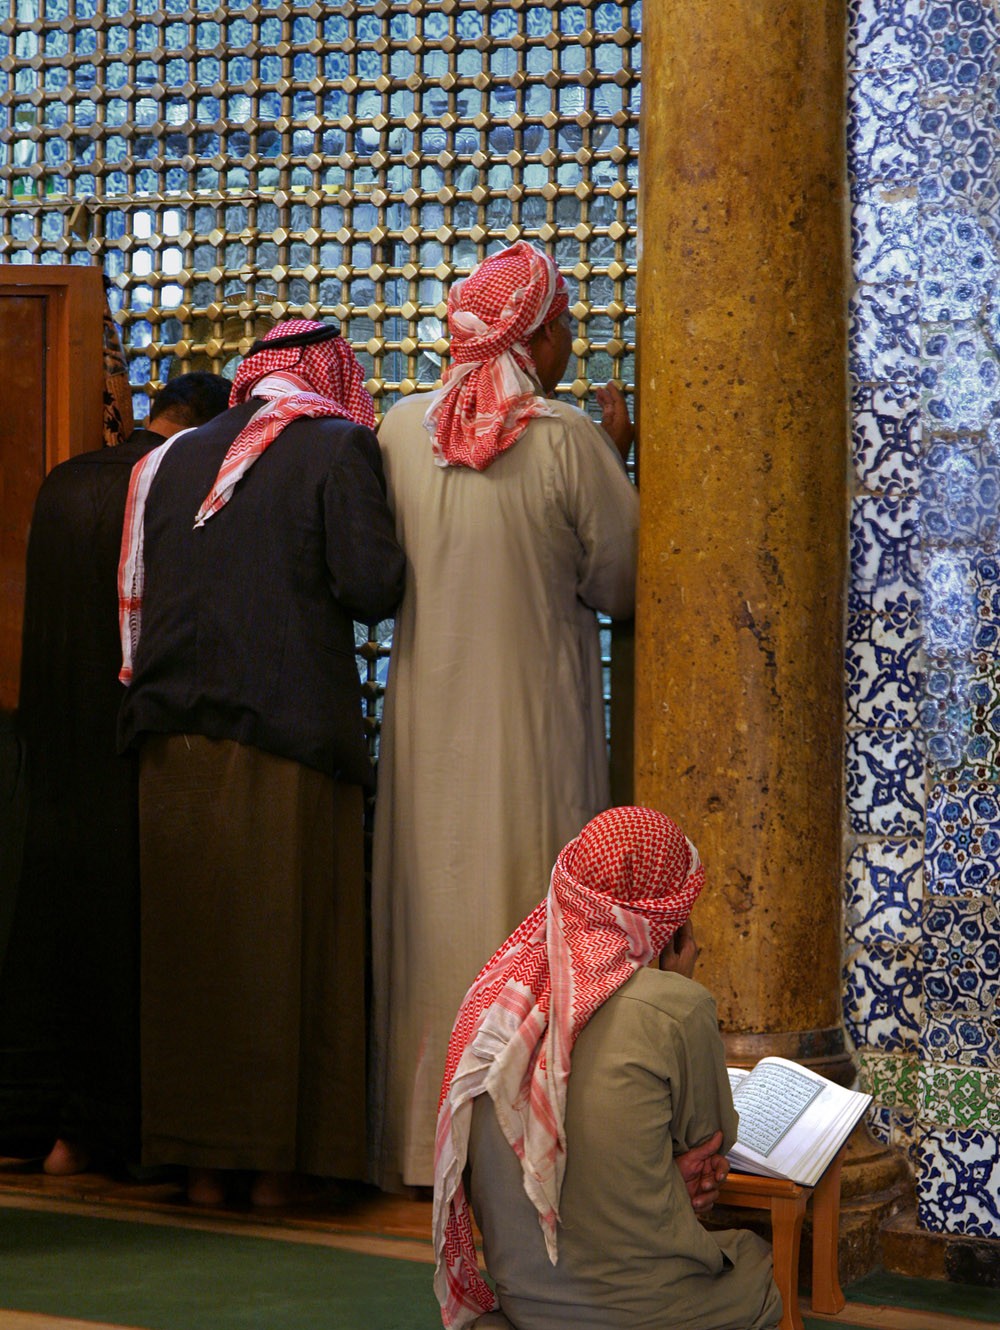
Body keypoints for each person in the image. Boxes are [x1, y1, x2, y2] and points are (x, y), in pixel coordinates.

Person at [117, 320, 406, 1209]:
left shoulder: (166, 460)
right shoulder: (336, 446)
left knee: (194, 956)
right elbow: (372, 587)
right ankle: (280, 1168)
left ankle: (202, 1166)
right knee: (287, 951)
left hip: (169, 744)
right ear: (329, 378)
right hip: (286, 735)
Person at [371, 241, 639, 1190]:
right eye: (563, 324)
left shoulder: (400, 431)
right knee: (526, 920)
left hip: (425, 746)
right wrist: (620, 458)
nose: (569, 342)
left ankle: (418, 1149)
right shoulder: (565, 438)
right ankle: (516, 1146)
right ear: (536, 337)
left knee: (431, 926)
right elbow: (625, 580)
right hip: (535, 735)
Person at [433, 805, 781, 1330]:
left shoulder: (498, 1001)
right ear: (665, 924)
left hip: (524, 1309)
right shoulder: (677, 1002)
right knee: (754, 1268)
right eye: (686, 919)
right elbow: (708, 1143)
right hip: (635, 1319)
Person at [0, 373, 232, 1174]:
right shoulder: (169, 482)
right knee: (127, 944)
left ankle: (39, 1124)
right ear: (206, 428)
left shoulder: (67, 477)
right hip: (130, 753)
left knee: (47, 934)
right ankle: (113, 1133)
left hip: (49, 746)